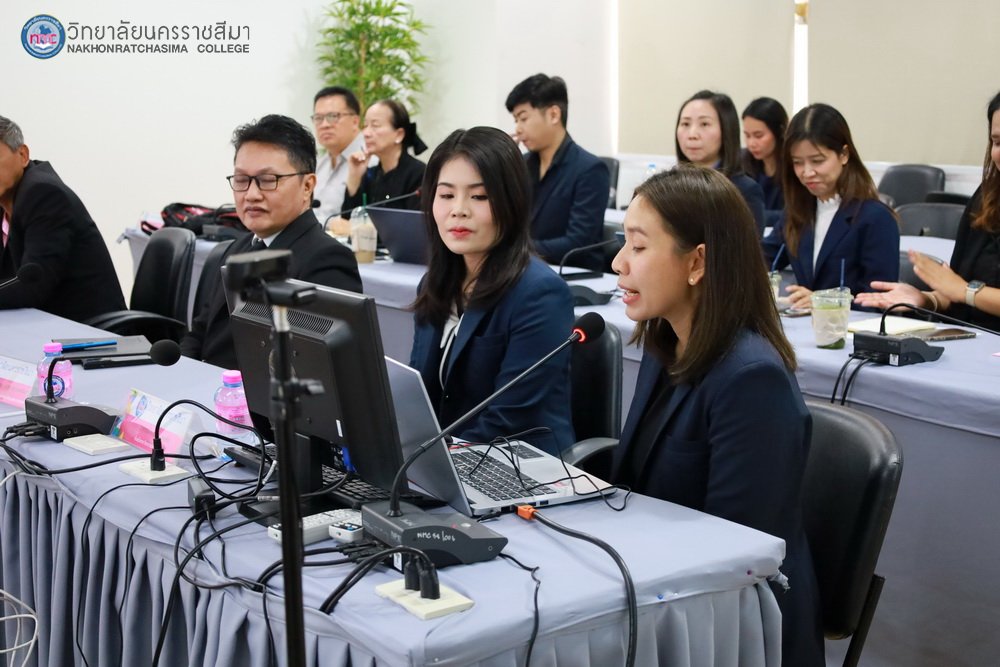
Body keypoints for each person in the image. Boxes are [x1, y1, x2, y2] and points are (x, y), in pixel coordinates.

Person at [610, 165, 825, 667]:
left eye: (638, 246)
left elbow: (734, 557)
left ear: (697, 262)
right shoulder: (665, 345)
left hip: (733, 631)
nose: (619, 263)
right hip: (667, 591)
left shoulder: (752, 380)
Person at [409, 126, 575, 453]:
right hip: (450, 457)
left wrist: (433, 455)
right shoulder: (434, 283)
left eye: (479, 197)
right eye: (446, 195)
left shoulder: (540, 293)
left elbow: (509, 417)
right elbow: (419, 393)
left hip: (518, 460)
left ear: (511, 202)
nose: (459, 209)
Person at [180, 114, 362, 369]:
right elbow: (200, 333)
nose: (251, 195)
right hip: (210, 388)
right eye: (241, 180)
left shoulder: (327, 260)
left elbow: (315, 367)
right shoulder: (237, 248)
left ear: (307, 186)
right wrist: (180, 373)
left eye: (267, 181)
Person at [856, 91, 1000, 332]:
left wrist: (965, 291)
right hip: (968, 338)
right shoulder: (986, 199)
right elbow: (955, 291)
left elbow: (962, 290)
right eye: (997, 142)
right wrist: (925, 299)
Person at [762, 103, 899, 309]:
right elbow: (762, 257)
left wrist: (823, 302)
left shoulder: (876, 218)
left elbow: (880, 300)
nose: (807, 172)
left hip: (850, 327)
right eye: (797, 162)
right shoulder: (797, 213)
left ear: (844, 154)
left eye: (817, 161)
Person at [0, 115, 126, 322]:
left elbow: (33, 285)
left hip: (89, 330)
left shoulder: (43, 194)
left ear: (22, 155)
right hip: (40, 324)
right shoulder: (7, 199)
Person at [505, 73, 610, 271]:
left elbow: (578, 241)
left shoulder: (590, 169)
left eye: (523, 118)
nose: (517, 129)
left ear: (554, 115)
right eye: (515, 121)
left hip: (575, 272)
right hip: (527, 268)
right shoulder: (522, 164)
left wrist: (514, 250)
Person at [675, 90, 766, 235]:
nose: (692, 135)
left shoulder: (744, 191)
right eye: (685, 124)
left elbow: (748, 247)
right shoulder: (670, 186)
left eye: (704, 124)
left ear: (726, 129)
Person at [341, 99, 426, 218]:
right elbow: (346, 219)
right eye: (365, 126)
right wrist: (354, 177)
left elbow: (414, 224)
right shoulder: (371, 174)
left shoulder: (419, 174)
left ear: (399, 134)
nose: (366, 133)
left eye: (375, 125)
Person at [311, 86, 365, 226]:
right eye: (318, 118)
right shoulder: (319, 164)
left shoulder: (369, 162)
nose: (324, 125)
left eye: (332, 117)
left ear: (355, 121)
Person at [742, 97, 788, 228]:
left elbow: (795, 214)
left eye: (758, 136)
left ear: (780, 132)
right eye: (747, 135)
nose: (751, 143)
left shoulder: (793, 167)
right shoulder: (743, 163)